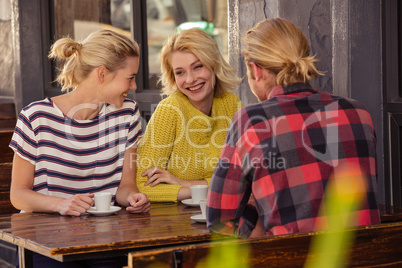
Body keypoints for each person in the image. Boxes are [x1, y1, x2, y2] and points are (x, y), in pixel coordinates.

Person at [206, 18, 381, 239]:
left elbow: (219, 220)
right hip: (371, 257)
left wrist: (257, 209)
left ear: (255, 70)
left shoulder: (252, 120)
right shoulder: (359, 113)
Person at [10, 29, 150, 267]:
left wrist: (133, 198)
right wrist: (62, 204)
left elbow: (125, 186)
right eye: (130, 77)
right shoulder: (36, 117)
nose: (134, 86)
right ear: (102, 74)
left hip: (107, 240)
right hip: (47, 242)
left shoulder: (128, 114)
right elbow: (18, 195)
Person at [136, 28, 242, 202]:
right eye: (180, 72)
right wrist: (201, 190)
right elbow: (141, 185)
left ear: (213, 64)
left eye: (197, 67)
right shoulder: (170, 110)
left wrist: (182, 182)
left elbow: (241, 177)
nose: (190, 79)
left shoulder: (231, 104)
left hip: (222, 214)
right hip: (172, 222)